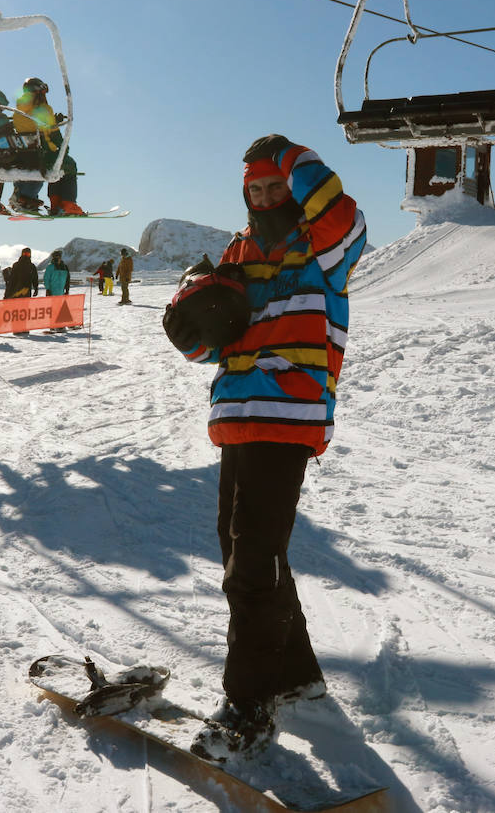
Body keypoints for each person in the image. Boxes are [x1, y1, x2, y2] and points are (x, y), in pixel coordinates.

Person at [161, 134, 366, 763]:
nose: (268, 195)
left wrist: (292, 157)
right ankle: (295, 674)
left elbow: (340, 215)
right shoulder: (238, 252)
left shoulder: (324, 247)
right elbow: (217, 343)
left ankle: (248, 705)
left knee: (251, 559)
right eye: (256, 188)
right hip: (239, 413)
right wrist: (190, 322)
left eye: (276, 185)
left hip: (289, 413)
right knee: (244, 546)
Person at [11, 77, 85, 216]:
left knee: (59, 162)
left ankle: (56, 203)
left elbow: (33, 124)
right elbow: (53, 133)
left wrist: (53, 120)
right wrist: (63, 148)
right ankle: (66, 204)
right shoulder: (43, 109)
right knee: (68, 164)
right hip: (43, 153)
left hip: (25, 153)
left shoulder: (18, 110)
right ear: (38, 91)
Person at [42, 250, 71, 333]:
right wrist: (48, 289)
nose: (57, 258)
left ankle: (60, 325)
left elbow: (67, 279)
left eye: (58, 256)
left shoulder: (64, 267)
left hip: (61, 292)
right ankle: (53, 326)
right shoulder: (50, 267)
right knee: (53, 309)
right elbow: (46, 279)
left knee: (61, 309)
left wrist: (67, 289)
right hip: (52, 291)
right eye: (55, 256)